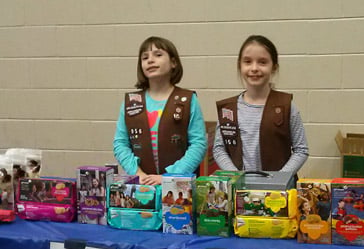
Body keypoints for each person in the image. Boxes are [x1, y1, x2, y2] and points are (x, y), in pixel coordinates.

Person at [113, 36, 207, 186]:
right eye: (145, 57)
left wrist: (169, 176)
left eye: (158, 55)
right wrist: (137, 174)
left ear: (173, 63)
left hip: (179, 187)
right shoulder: (131, 102)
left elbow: (198, 144)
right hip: (142, 185)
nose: (150, 60)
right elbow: (120, 144)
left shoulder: (188, 100)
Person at [213, 35, 309, 176]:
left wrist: (279, 178)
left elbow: (301, 150)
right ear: (240, 65)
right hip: (240, 189)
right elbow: (219, 149)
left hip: (278, 191)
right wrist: (235, 176)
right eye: (247, 62)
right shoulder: (228, 109)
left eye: (262, 62)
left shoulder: (286, 106)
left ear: (274, 67)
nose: (254, 68)